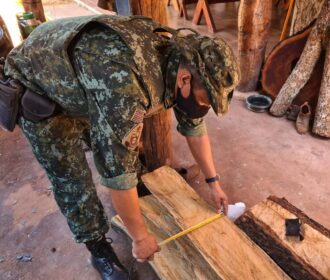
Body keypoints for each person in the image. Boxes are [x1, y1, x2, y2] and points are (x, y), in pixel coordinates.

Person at [3, 15, 239, 280]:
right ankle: (98, 248)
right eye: (206, 100)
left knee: (120, 142)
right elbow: (117, 171)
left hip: (87, 78)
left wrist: (213, 183)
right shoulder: (126, 81)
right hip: (39, 84)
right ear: (184, 79)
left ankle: (134, 200)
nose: (204, 107)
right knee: (72, 177)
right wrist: (139, 237)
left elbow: (194, 127)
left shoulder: (184, 61)